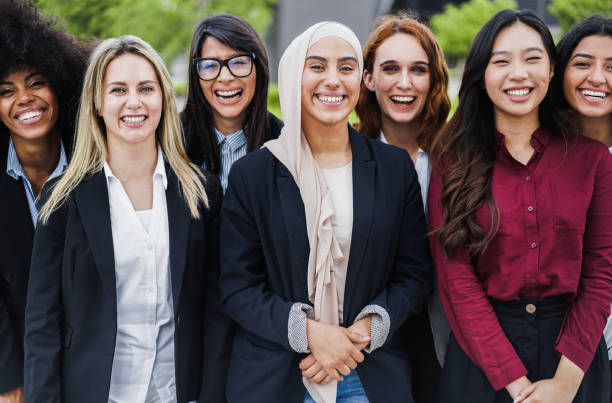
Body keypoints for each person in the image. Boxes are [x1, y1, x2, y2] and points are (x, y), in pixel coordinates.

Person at [219, 21, 433, 403]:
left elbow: (414, 274)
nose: (333, 80)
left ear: (361, 80)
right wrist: (310, 334)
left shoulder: (393, 168)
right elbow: (238, 287)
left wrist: (364, 331)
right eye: (316, 66)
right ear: (292, 75)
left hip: (366, 371)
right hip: (278, 377)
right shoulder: (253, 174)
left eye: (346, 67)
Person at [24, 35, 228, 403]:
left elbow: (215, 312)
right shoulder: (61, 201)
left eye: (146, 88)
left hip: (178, 392)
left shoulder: (201, 193)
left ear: (163, 98)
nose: (133, 102)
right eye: (118, 90)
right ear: (98, 103)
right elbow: (42, 325)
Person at [428, 9, 612, 403]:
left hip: (573, 357)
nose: (519, 73)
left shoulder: (592, 160)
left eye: (532, 58)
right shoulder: (452, 158)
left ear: (551, 70)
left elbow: (600, 274)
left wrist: (564, 385)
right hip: (483, 357)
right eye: (501, 61)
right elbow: (456, 280)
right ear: (482, 73)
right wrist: (514, 383)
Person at [355, 13, 451, 402]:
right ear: (368, 78)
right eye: (390, 68)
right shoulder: (345, 155)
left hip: (445, 334)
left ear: (434, 79)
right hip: (369, 337)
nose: (405, 82)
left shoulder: (458, 156)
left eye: (418, 69)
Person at [0, 1, 89, 401]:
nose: (24, 98)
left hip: (90, 358)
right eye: (6, 91)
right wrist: (8, 378)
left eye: (36, 82)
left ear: (59, 82)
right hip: (15, 361)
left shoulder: (96, 165)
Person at [552, 14, 612, 401]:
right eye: (583, 63)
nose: (597, 78)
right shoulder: (534, 156)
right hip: (556, 354)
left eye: (611, 67)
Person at [181, 14, 282, 192]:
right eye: (210, 65)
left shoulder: (284, 145)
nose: (225, 77)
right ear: (196, 75)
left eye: (239, 62)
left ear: (258, 68)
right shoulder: (172, 142)